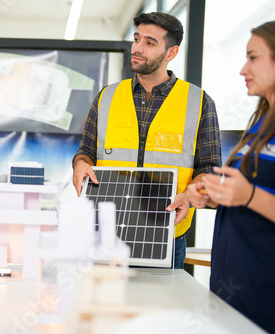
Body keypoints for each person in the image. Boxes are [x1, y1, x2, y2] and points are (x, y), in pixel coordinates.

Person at [72, 12, 222, 269]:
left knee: (162, 308)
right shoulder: (107, 96)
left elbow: (209, 169)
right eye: (137, 39)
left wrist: (188, 195)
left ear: (171, 53)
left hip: (166, 233)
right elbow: (86, 151)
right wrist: (80, 164)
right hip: (106, 232)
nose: (137, 48)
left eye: (149, 43)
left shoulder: (199, 102)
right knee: (104, 305)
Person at [187, 21, 275, 333]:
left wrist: (247, 195)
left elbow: (252, 195)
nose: (243, 69)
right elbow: (250, 193)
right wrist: (213, 195)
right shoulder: (261, 123)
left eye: (253, 57)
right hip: (234, 291)